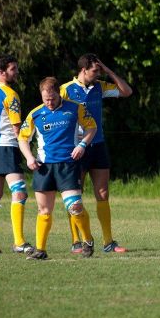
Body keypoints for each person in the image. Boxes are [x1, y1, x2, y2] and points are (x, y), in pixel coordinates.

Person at [18, 77, 97, 260]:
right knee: (44, 211)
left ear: (58, 93)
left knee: (75, 207)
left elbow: (91, 127)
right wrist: (29, 158)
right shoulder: (35, 114)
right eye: (46, 99)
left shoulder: (75, 108)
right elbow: (23, 138)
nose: (49, 103)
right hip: (44, 167)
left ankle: (87, 240)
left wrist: (83, 145)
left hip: (68, 165)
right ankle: (40, 250)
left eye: (52, 98)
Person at [60, 53, 132, 253]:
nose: (98, 73)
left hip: (98, 145)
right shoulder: (65, 90)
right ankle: (77, 241)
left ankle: (108, 242)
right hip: (76, 147)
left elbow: (126, 91)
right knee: (75, 195)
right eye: (95, 70)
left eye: (99, 70)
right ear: (83, 70)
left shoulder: (99, 86)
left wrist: (108, 71)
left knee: (103, 193)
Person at [0, 55, 34, 255]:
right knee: (19, 192)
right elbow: (16, 128)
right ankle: (19, 242)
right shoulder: (10, 94)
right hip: (7, 147)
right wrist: (29, 152)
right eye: (13, 69)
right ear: (2, 72)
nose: (17, 72)